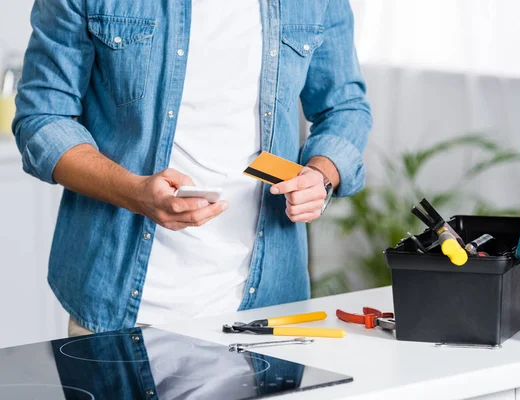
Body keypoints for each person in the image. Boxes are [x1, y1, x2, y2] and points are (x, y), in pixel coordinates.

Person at [13, 0, 372, 335]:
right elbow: (43, 116)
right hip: (116, 307)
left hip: (267, 309)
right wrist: (135, 193)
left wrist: (321, 175)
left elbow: (344, 107)